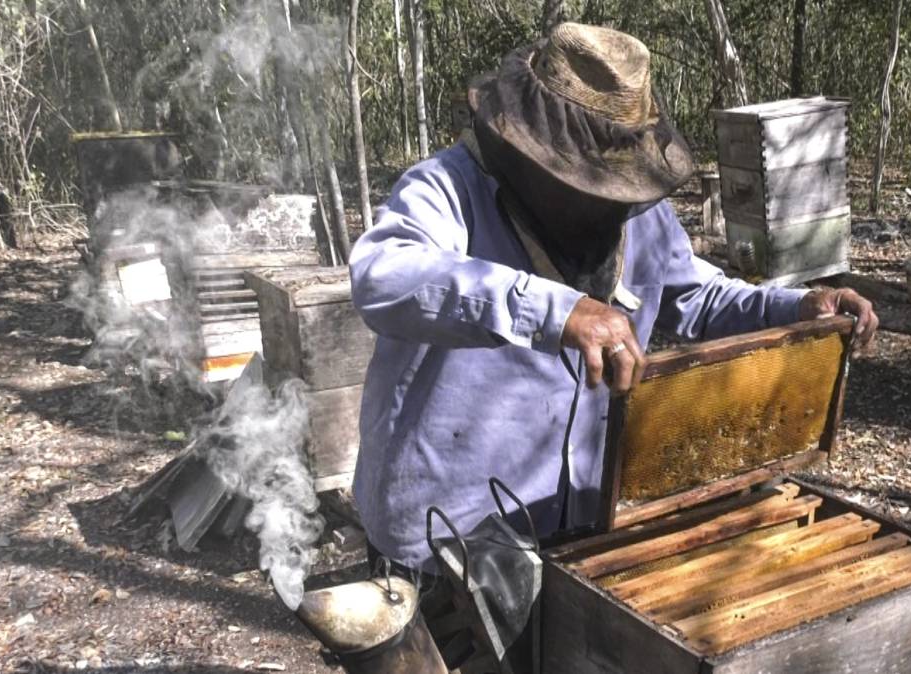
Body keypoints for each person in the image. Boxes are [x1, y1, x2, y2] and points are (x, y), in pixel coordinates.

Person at [349, 23, 878, 573]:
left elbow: (694, 294)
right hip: (448, 539)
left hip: (579, 523)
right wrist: (556, 310)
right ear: (531, 148)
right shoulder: (447, 189)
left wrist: (794, 307)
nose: (603, 197)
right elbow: (382, 275)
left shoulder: (637, 211)